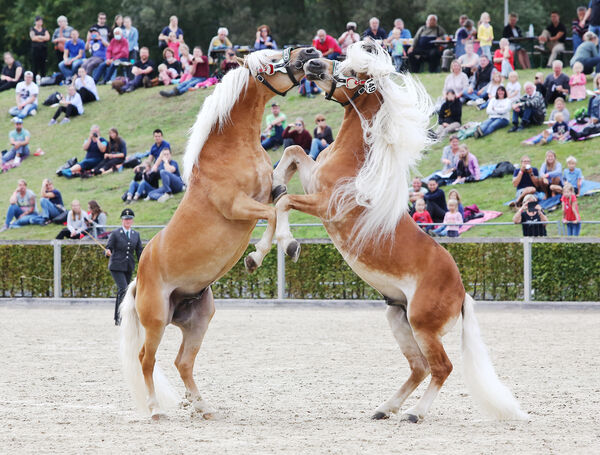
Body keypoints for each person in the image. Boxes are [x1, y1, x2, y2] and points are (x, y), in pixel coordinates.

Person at [105, 208, 143, 325]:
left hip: (128, 266)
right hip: (116, 266)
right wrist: (107, 252)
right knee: (123, 289)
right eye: (126, 219)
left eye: (130, 219)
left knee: (124, 291)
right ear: (122, 220)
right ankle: (120, 318)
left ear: (132, 221)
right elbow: (108, 247)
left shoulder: (135, 235)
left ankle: (119, 316)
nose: (128, 221)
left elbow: (139, 252)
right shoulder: (115, 233)